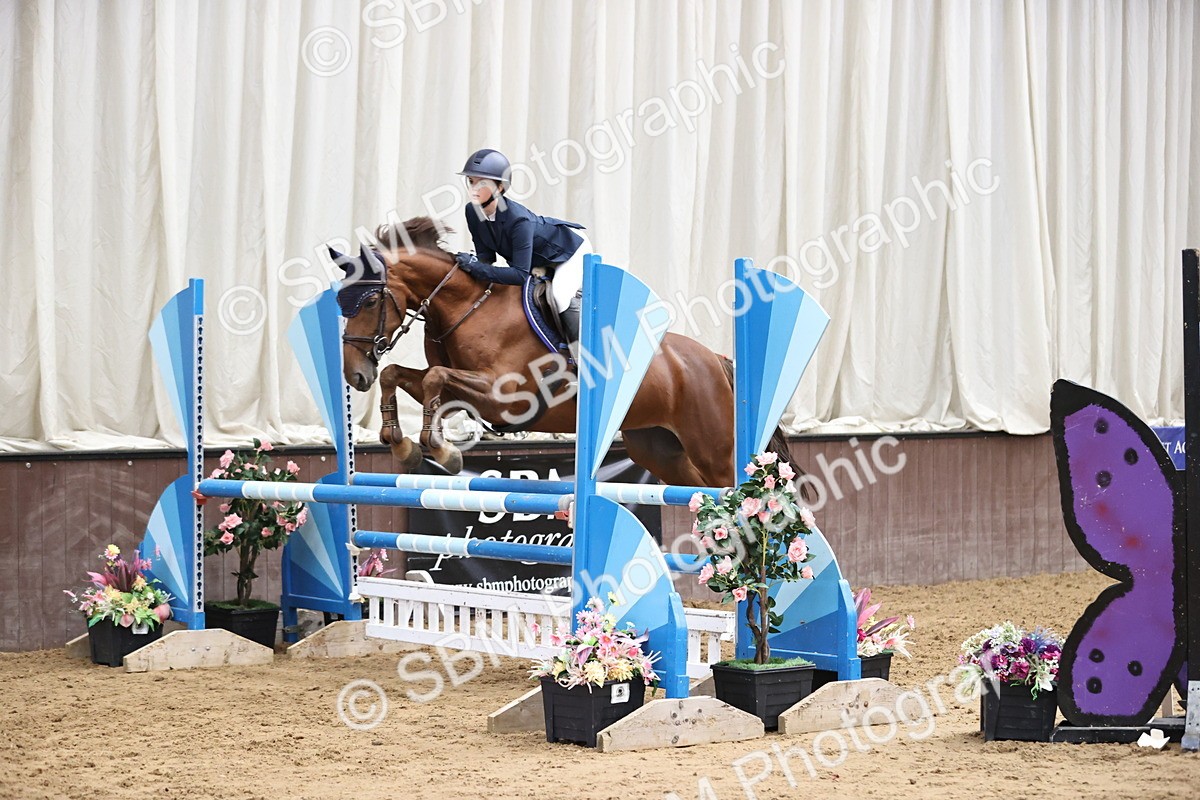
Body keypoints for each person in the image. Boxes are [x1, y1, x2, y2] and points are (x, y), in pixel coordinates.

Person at [453, 148, 590, 343]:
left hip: (569, 249)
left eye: (482, 183)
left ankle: (583, 355)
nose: (474, 189)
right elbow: (486, 259)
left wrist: (475, 267)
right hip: (538, 258)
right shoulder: (472, 212)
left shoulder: (518, 221)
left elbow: (519, 275)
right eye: (471, 181)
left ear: (499, 188)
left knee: (560, 296)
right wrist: (470, 266)